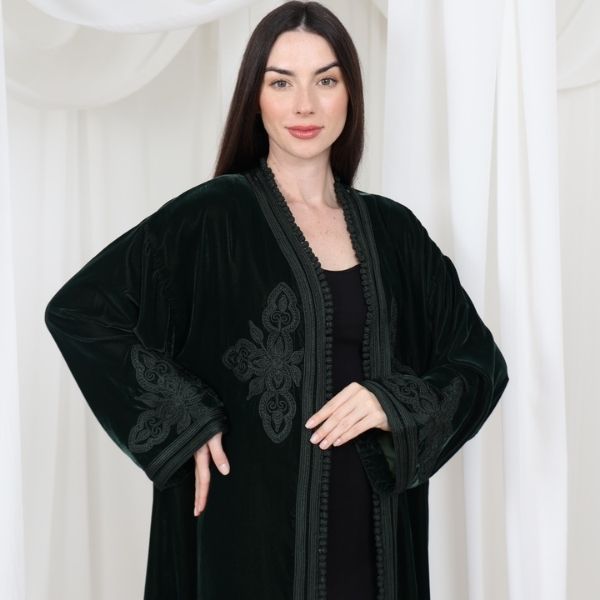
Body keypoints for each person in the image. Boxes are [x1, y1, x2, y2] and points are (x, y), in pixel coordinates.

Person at [44, 2, 509, 599]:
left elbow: (478, 363)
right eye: (281, 82)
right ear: (255, 98)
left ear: (350, 94)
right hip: (247, 536)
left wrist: (392, 402)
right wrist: (185, 420)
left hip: (373, 537)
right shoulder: (212, 217)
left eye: (326, 81)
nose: (304, 105)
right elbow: (80, 312)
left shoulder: (395, 233)